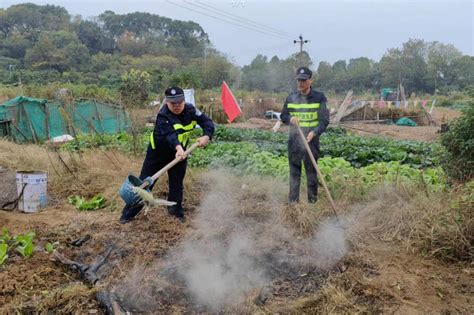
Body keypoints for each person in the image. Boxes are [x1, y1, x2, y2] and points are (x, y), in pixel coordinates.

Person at [120, 86, 214, 224]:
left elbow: (207, 122)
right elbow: (170, 136)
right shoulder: (162, 116)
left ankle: (175, 213)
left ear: (184, 100)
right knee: (145, 185)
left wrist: (206, 135)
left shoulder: (191, 110)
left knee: (176, 184)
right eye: (172, 103)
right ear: (166, 103)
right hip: (157, 155)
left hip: (180, 153)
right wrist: (178, 148)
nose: (176, 106)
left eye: (179, 102)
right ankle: (127, 215)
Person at [280, 67, 330, 204]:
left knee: (311, 174)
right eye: (299, 80)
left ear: (310, 80)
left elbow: (324, 120)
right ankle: (293, 205)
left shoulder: (319, 98)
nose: (300, 83)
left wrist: (314, 132)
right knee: (294, 174)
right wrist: (290, 118)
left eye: (303, 80)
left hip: (311, 141)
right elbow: (283, 115)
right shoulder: (291, 97)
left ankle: (312, 203)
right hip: (295, 141)